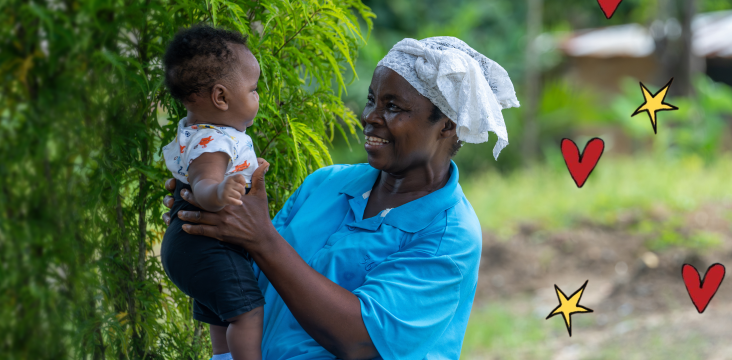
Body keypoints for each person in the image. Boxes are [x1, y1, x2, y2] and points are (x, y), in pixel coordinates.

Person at [162, 36, 520, 359]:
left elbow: (361, 340)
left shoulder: (449, 235)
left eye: (393, 107)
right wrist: (208, 219)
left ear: (448, 125)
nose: (369, 117)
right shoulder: (326, 185)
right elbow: (251, 278)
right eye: (371, 101)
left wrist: (261, 238)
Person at [159, 25, 265, 360]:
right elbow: (203, 186)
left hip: (194, 245)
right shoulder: (214, 143)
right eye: (253, 89)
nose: (258, 97)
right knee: (248, 313)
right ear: (221, 97)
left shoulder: (200, 132)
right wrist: (221, 191)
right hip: (207, 245)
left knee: (222, 318)